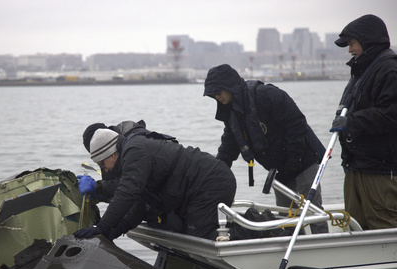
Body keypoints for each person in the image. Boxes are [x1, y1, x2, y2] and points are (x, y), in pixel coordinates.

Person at [203, 64, 328, 234]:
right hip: (279, 167)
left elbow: (296, 123)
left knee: (312, 209)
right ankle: (295, 249)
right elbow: (228, 146)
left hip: (304, 158)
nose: (217, 97)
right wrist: (216, 171)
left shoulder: (265, 94)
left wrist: (295, 157)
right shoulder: (231, 113)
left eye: (218, 92)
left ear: (229, 86)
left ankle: (322, 245)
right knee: (286, 217)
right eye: (213, 95)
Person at [73, 127, 237, 241]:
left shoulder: (135, 151)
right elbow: (142, 203)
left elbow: (126, 193)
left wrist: (102, 227)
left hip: (211, 182)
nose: (105, 170)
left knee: (201, 237)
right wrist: (116, 229)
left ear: (112, 154)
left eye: (102, 164)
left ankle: (257, 231)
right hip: (200, 186)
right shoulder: (130, 156)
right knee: (188, 232)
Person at [329, 14, 397, 230]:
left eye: (352, 43)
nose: (350, 49)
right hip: (356, 166)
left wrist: (351, 122)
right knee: (353, 225)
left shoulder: (388, 70)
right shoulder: (361, 70)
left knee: (383, 224)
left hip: (379, 169)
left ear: (367, 40)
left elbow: (390, 113)